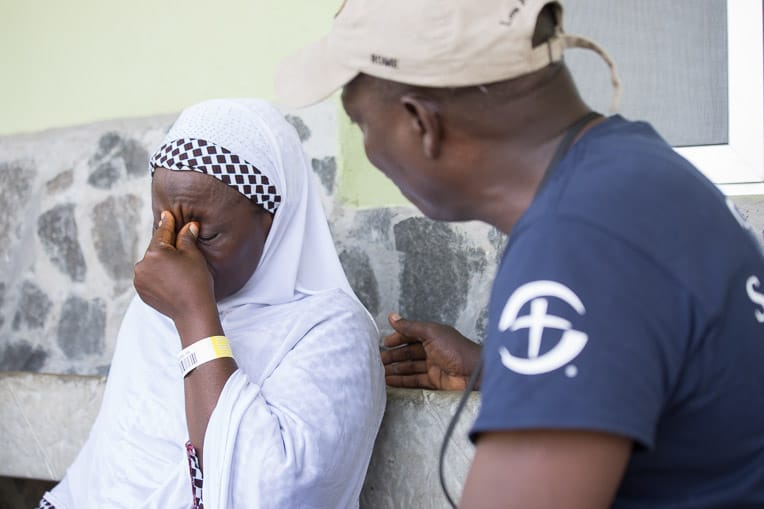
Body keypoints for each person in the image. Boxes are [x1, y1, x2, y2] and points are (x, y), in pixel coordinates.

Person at [274, 0, 764, 507]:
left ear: (421, 123)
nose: (371, 152)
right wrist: (508, 371)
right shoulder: (639, 169)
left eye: (362, 124)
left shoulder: (577, 239)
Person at [37, 99, 385, 509]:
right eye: (162, 224)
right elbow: (112, 473)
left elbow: (274, 491)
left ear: (272, 223)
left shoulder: (332, 331)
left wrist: (194, 316)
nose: (176, 253)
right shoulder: (153, 312)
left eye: (206, 235)